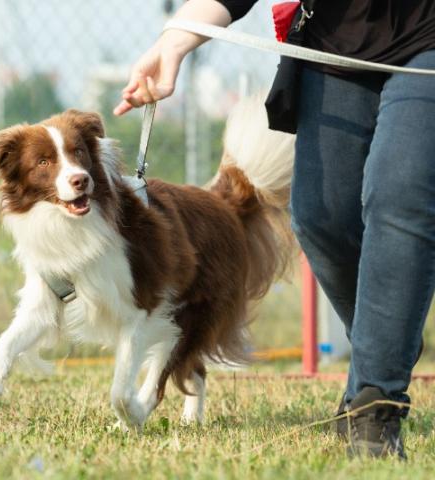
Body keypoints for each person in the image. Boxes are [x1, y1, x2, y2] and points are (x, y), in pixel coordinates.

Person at [114, 0, 435, 459]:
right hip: (335, 44)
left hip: (428, 41)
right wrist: (174, 42)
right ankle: (387, 337)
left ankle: (374, 406)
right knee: (319, 217)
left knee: (399, 194)